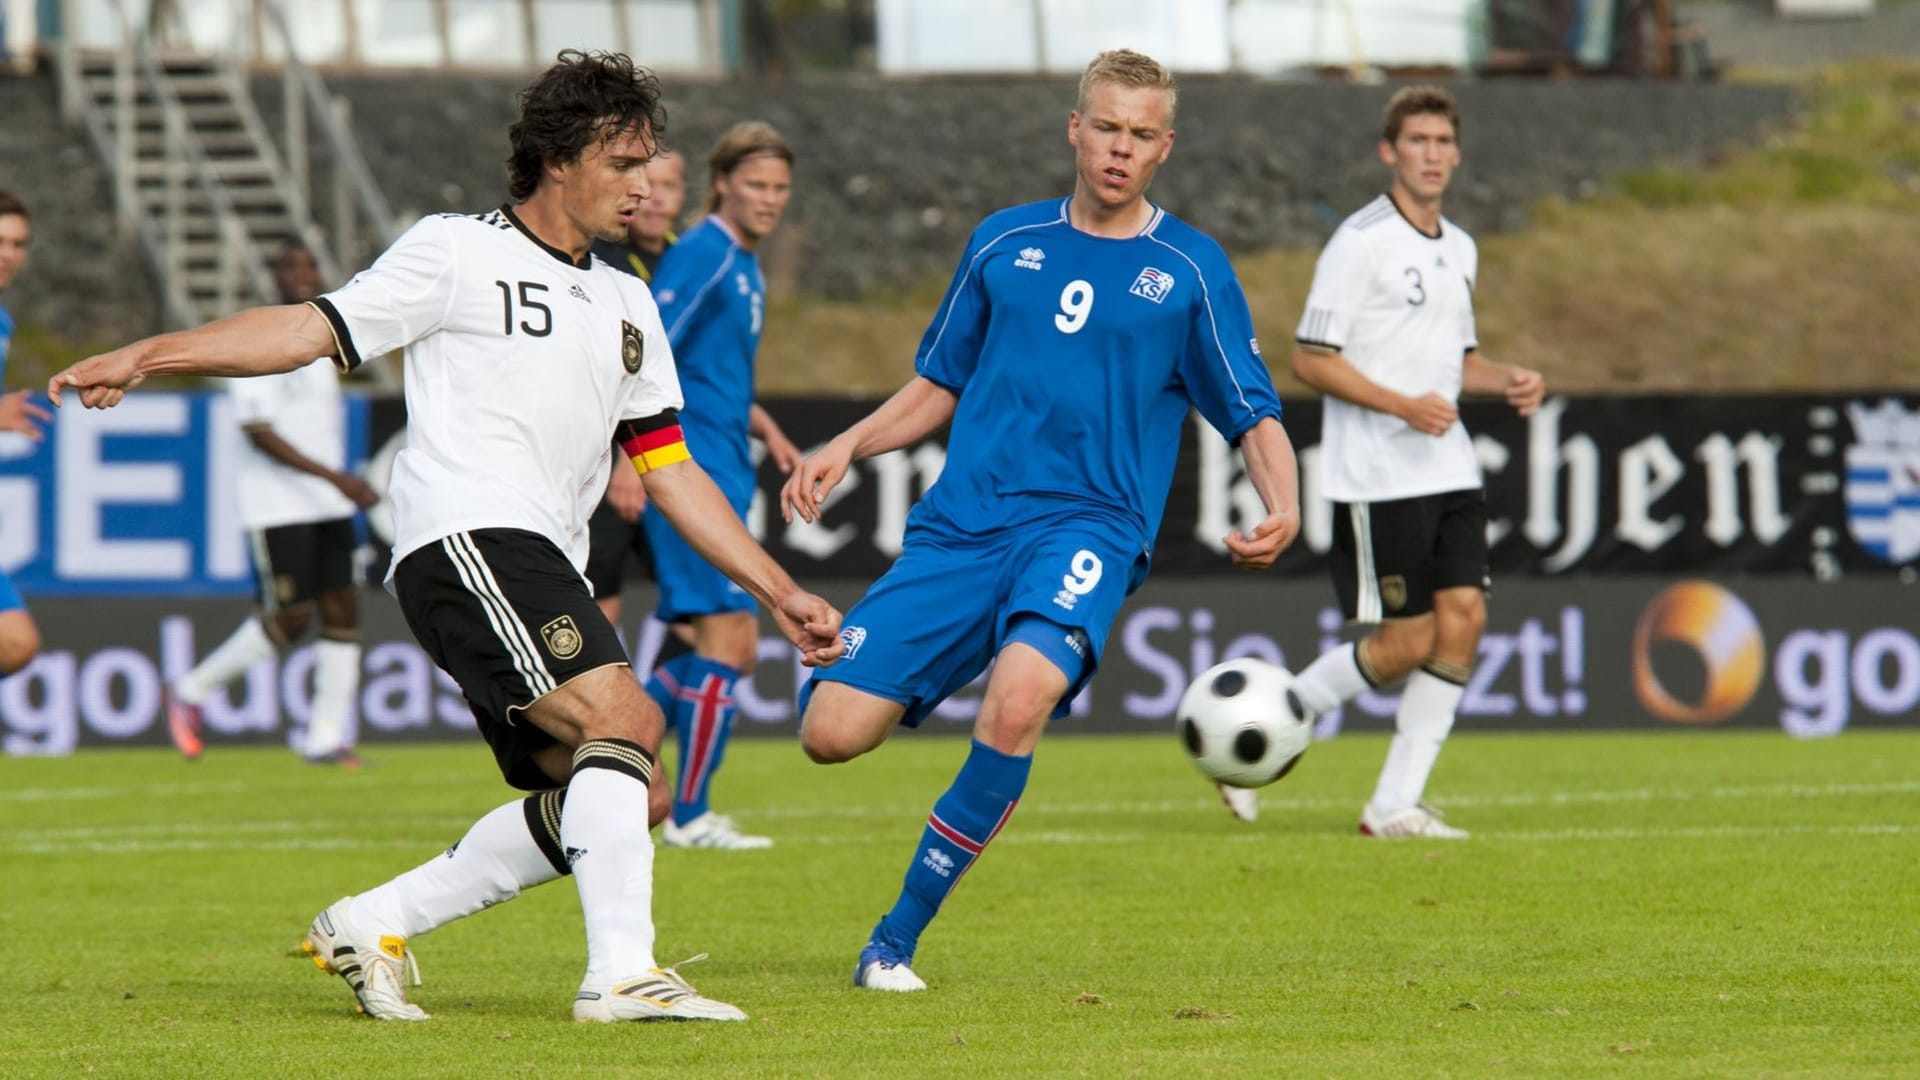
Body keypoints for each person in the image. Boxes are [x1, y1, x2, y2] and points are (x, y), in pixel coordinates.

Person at [48, 49, 843, 1024]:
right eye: (627, 162)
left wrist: (779, 590)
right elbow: (308, 327)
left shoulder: (632, 303)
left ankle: (371, 920)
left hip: (538, 557)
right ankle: (622, 974)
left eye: (651, 163)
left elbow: (671, 472)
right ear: (562, 158)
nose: (646, 184)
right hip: (468, 537)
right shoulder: (457, 250)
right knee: (626, 723)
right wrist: (151, 354)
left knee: (635, 793)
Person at [779, 49, 1301, 992]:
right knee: (830, 730)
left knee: (1017, 701)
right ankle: (938, 665)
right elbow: (939, 382)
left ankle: (891, 944)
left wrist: (1285, 503)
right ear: (1075, 128)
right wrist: (848, 444)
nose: (1120, 149)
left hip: (1089, 529)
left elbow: (1253, 411)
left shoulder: (1188, 269)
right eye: (1107, 126)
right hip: (963, 528)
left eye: (1142, 135)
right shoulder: (1000, 242)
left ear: (1165, 149)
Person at [1230, 86, 1544, 837]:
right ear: (1389, 151)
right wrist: (1403, 405)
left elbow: (1455, 363)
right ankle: (1262, 730)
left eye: (1442, 141)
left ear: (1457, 153)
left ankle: (1393, 803)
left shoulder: (1460, 247)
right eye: (1417, 141)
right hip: (1379, 473)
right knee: (1406, 642)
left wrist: (1508, 379)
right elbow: (1309, 360)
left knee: (1463, 621)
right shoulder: (1360, 241)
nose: (1431, 155)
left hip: (1450, 467)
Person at [640, 122, 803, 850]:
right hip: (688, 472)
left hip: (724, 468)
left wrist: (764, 427)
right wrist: (626, 457)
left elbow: (712, 373)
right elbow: (646, 349)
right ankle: (689, 813)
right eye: (756, 186)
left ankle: (603, 757)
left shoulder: (742, 262)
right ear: (723, 185)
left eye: (779, 189)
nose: (769, 200)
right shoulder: (705, 252)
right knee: (729, 638)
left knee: (725, 649)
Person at [163, 241, 378, 766]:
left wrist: (335, 485)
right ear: (274, 278)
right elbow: (259, 432)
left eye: (310, 265)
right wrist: (336, 477)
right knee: (289, 618)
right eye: (291, 267)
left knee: (343, 608)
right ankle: (190, 689)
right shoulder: (257, 341)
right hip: (276, 506)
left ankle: (325, 736)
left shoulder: (318, 340)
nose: (302, 275)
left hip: (326, 503)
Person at [582, 149, 696, 696]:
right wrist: (629, 460)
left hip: (675, 458)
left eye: (669, 185)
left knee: (699, 615)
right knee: (601, 604)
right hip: (613, 462)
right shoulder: (603, 261)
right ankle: (612, 723)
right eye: (645, 183)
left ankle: (646, 715)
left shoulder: (692, 259)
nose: (655, 196)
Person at [0, 191, 50, 676]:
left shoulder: (2, 322)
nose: (8, 253)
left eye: (17, 243)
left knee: (15, 643)